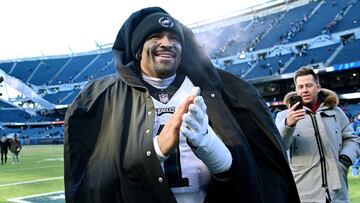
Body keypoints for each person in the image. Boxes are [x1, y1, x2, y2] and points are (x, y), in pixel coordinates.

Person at [64, 7, 299, 203]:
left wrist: (211, 148)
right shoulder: (106, 99)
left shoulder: (216, 90)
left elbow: (249, 175)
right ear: (137, 49)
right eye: (156, 37)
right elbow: (98, 183)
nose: (167, 43)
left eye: (174, 38)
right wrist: (155, 151)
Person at [275, 67, 360, 202]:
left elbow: (352, 139)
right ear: (296, 90)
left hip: (337, 192)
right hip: (304, 193)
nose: (304, 90)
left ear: (318, 87)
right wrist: (288, 125)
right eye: (300, 86)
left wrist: (345, 159)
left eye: (309, 85)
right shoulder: (283, 116)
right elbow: (278, 147)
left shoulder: (336, 112)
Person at [351, 112, 360, 176]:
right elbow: (351, 134)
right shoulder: (354, 124)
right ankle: (355, 173)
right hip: (357, 142)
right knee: (357, 158)